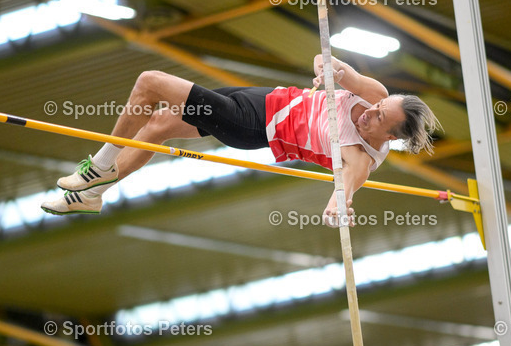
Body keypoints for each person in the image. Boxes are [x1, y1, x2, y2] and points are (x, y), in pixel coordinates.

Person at [41, 55, 440, 224]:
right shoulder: (375, 93)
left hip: (250, 125)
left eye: (379, 118)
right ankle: (91, 195)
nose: (371, 110)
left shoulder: (359, 157)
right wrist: (326, 68)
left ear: (390, 136)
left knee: (150, 84)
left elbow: (342, 193)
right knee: (159, 125)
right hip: (260, 96)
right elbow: (331, 65)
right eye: (379, 105)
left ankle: (100, 166)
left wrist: (339, 209)